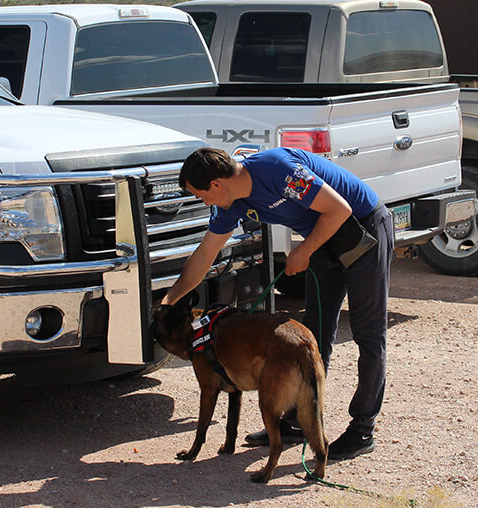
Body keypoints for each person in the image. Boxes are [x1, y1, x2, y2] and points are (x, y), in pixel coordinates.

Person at [161, 147, 393, 460]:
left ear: (216, 184)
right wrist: (168, 302)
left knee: (368, 334)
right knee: (314, 334)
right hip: (322, 237)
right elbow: (204, 256)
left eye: (200, 195)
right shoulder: (231, 203)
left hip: (363, 229)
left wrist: (303, 251)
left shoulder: (279, 171)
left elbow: (338, 210)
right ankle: (299, 422)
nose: (204, 203)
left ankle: (362, 430)